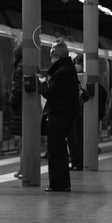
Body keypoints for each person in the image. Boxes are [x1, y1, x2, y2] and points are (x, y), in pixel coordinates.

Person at [39, 41, 82, 192]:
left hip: (58, 115)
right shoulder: (68, 70)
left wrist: (43, 84)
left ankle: (59, 184)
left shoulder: (63, 72)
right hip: (64, 114)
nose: (51, 61)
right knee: (59, 150)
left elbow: (50, 93)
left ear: (58, 57)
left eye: (53, 58)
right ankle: (60, 183)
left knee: (56, 151)